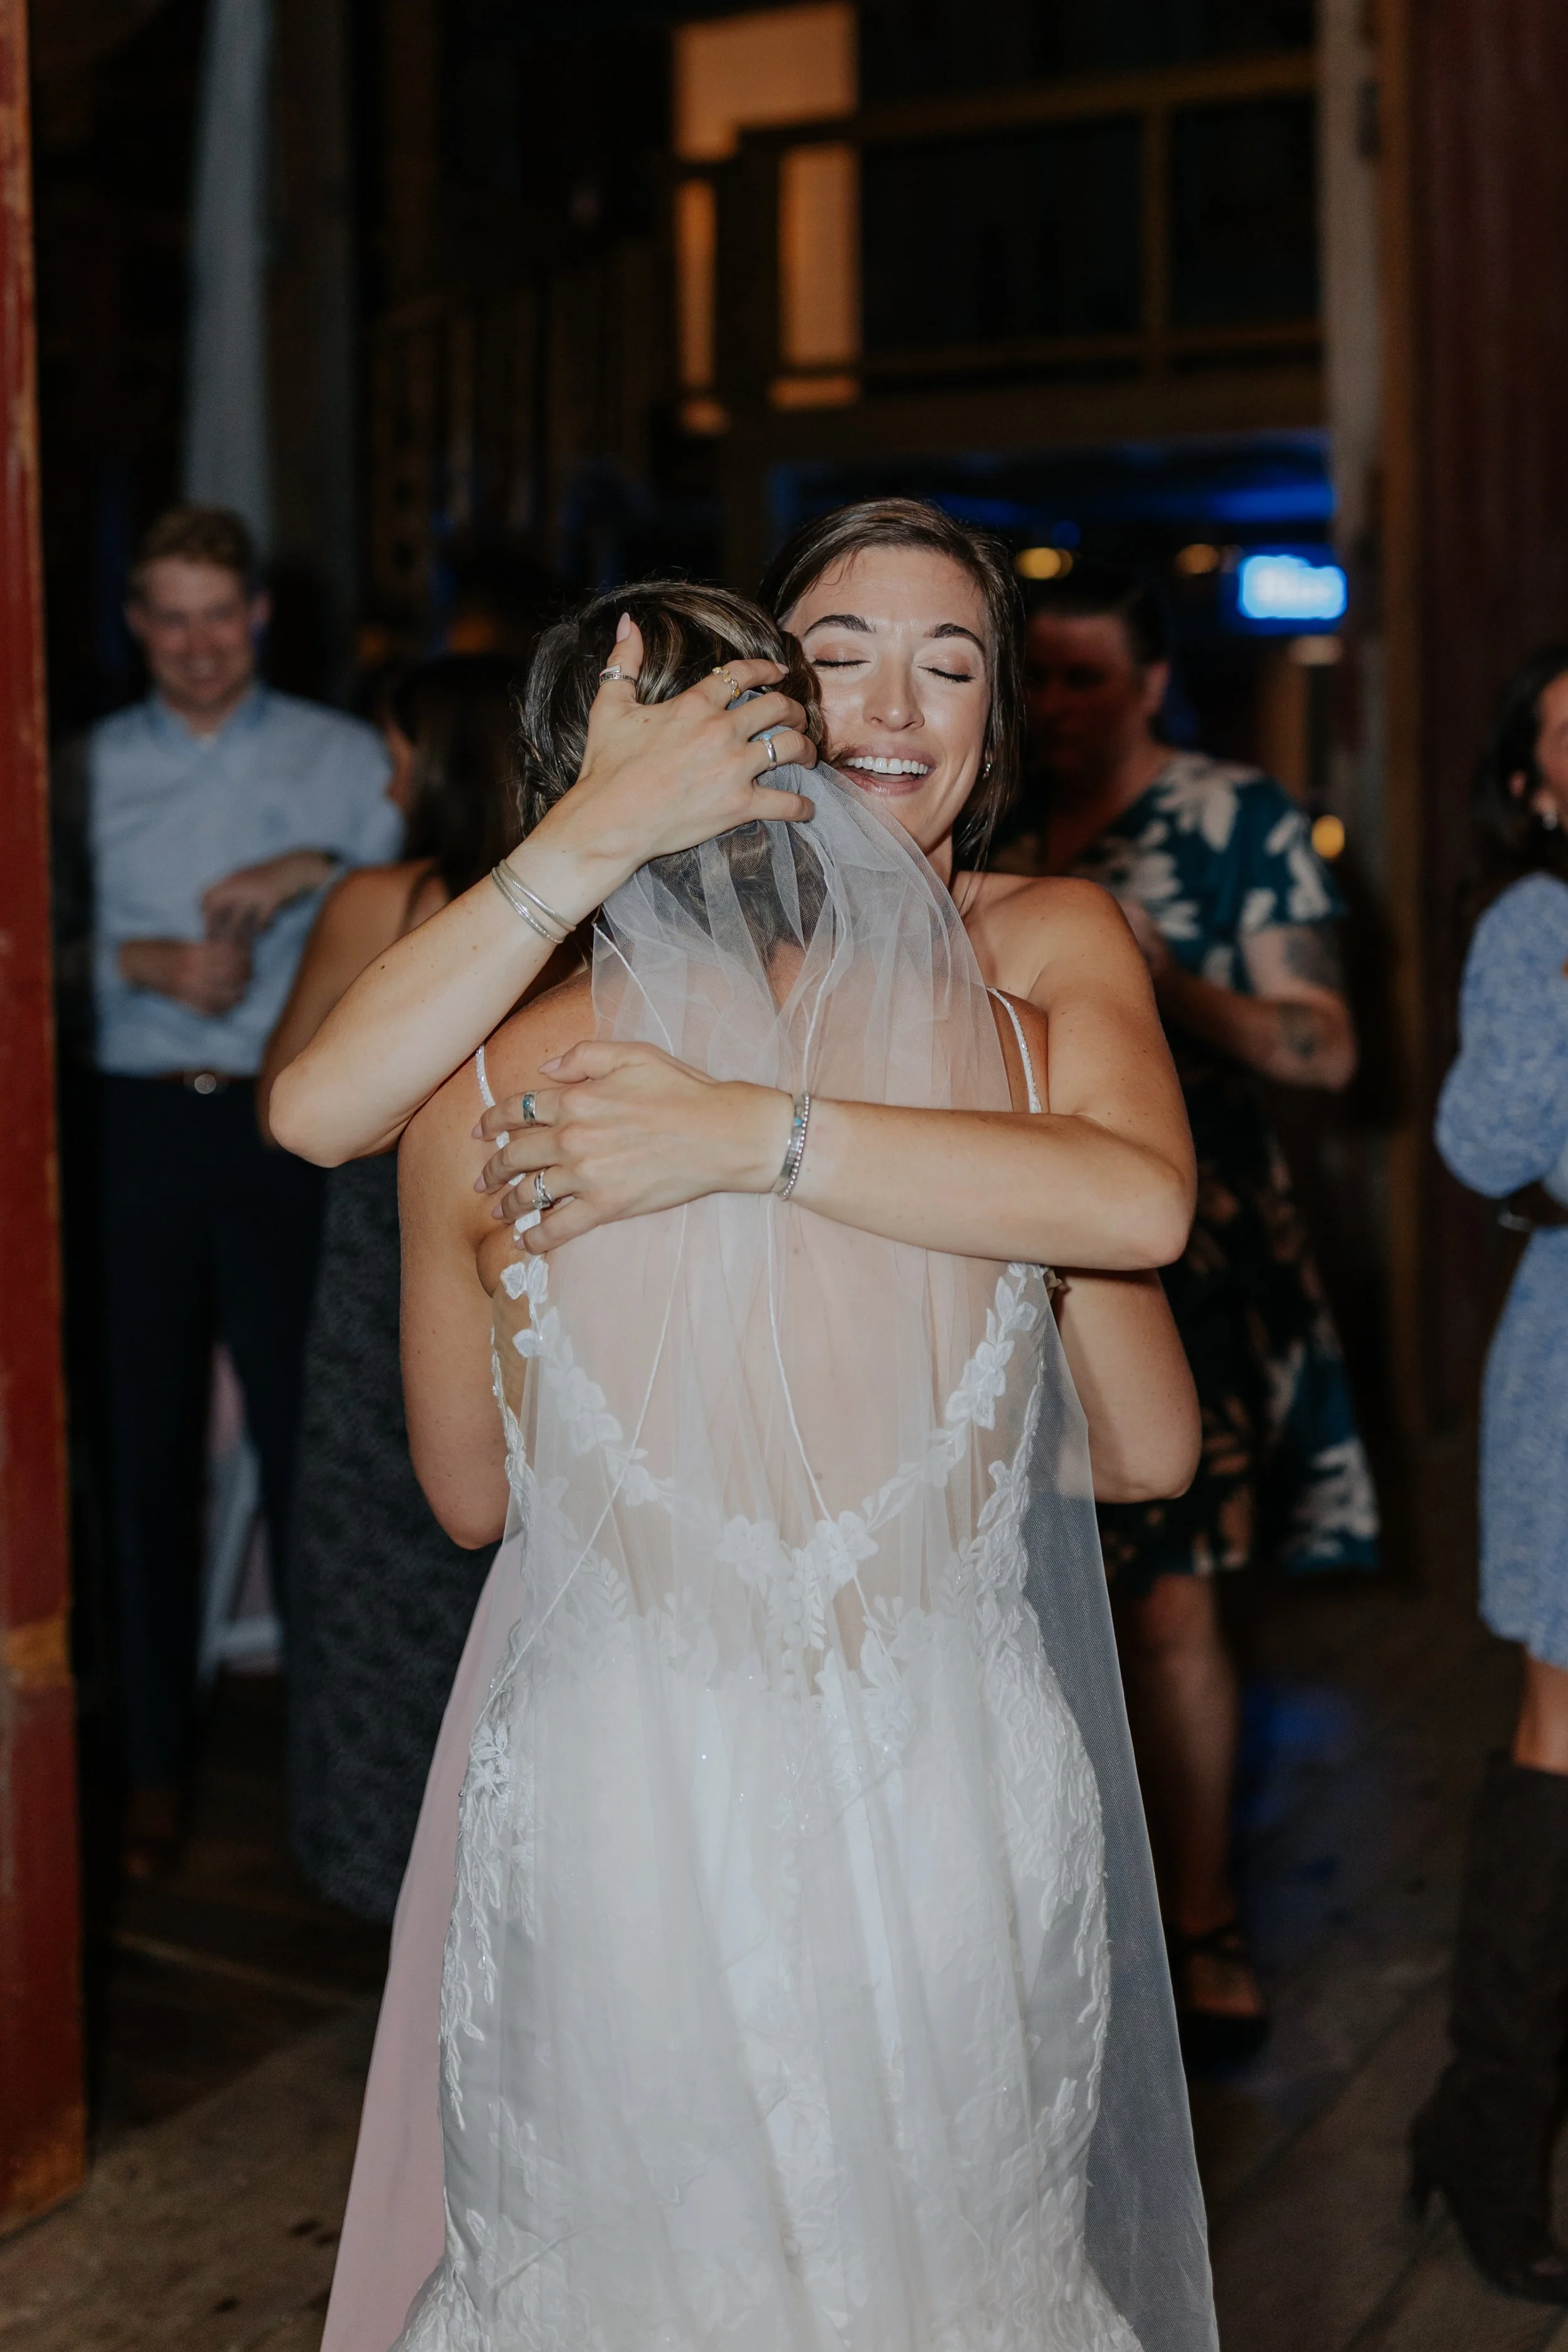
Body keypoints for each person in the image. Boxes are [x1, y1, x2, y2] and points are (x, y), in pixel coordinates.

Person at [322, 576, 1216, 2352]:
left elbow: (471, 1500)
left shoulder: (472, 1103)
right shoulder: (1023, 1068)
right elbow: (1150, 1443)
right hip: (946, 1785)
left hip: (622, 1805)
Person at [995, 563, 1377, 2068]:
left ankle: (1202, 1917)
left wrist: (1167, 991)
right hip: (990, 1235)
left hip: (1181, 1246)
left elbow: (1328, 1051)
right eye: (1038, 678)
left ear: (1152, 684)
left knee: (1165, 1599)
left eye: (1086, 676)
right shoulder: (989, 819)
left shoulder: (1234, 820)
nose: (1058, 705)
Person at [90, 502, 400, 1877]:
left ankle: (333, 1773)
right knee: (139, 1459)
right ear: (135, 624)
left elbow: (441, 884)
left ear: (259, 616)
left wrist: (316, 871)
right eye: (170, 615)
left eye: (222, 614)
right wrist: (129, 966)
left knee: (312, 1448)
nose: (199, 644)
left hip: (294, 1138)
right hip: (134, 1131)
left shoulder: (343, 761)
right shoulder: (79, 769)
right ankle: (151, 1767)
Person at [260, 657, 569, 1922]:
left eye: (398, 755)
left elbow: (292, 1084)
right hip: (536, 1276)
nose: (386, 779)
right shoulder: (594, 918)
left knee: (374, 1588)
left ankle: (394, 1884)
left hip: (383, 1290)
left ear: (444, 762)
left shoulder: (383, 903)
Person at [1411, 644, 1568, 2304]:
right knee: (1561, 1730)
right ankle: (1493, 2132)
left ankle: (1473, 2117)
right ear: (1531, 785)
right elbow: (1478, 1143)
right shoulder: (1533, 923)